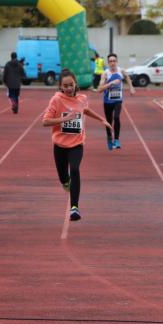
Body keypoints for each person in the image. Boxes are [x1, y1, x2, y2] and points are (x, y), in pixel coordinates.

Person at [42, 68, 112, 221]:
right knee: (63, 178)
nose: (68, 88)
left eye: (71, 85)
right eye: (65, 86)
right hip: (60, 145)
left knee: (74, 169)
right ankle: (65, 182)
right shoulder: (56, 100)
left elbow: (85, 110)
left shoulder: (82, 98)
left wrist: (102, 120)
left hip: (76, 144)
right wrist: (64, 119)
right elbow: (45, 121)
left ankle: (74, 208)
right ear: (60, 86)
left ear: (75, 84)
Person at [97, 53, 135, 150]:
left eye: (114, 61)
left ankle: (117, 139)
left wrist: (131, 88)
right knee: (108, 121)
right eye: (110, 61)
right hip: (107, 101)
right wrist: (110, 83)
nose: (112, 63)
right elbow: (99, 89)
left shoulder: (121, 71)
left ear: (117, 62)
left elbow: (128, 78)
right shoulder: (105, 74)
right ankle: (109, 138)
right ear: (108, 63)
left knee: (116, 117)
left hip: (118, 100)